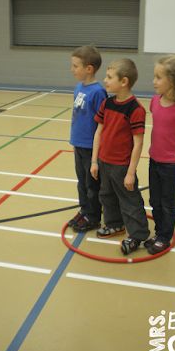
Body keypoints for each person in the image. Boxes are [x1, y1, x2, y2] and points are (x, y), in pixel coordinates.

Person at [90, 58, 150, 255]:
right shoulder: (107, 103)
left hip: (122, 166)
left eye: (109, 77)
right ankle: (115, 224)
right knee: (106, 196)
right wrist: (94, 161)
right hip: (104, 162)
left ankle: (138, 235)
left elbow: (138, 142)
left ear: (123, 82)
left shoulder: (135, 109)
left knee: (129, 200)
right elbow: (98, 132)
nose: (105, 80)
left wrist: (131, 172)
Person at [145, 55, 175, 255]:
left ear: (172, 81)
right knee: (154, 200)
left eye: (158, 77)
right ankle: (159, 232)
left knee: (167, 202)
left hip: (172, 165)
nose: (153, 81)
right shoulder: (154, 102)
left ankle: (165, 236)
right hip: (154, 160)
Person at [69, 45, 107, 232]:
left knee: (92, 184)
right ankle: (84, 210)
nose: (72, 69)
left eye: (76, 66)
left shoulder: (98, 92)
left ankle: (93, 217)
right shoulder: (78, 87)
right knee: (81, 182)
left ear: (89, 69)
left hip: (91, 147)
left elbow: (103, 123)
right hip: (78, 144)